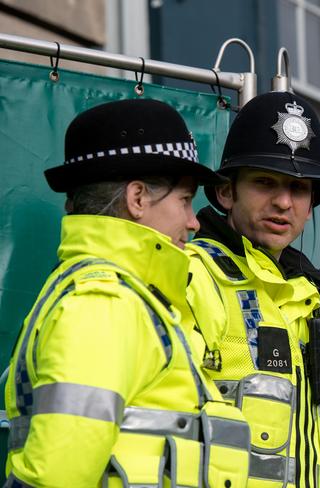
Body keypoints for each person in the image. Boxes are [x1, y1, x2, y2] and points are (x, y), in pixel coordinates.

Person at [3, 99, 250, 487]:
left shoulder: (127, 301)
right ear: (137, 199)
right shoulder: (104, 306)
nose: (192, 222)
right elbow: (57, 475)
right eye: (185, 200)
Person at [183, 91, 320, 488]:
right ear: (225, 191)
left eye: (299, 188)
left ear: (310, 206)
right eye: (265, 182)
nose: (283, 202)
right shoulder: (192, 274)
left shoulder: (307, 299)